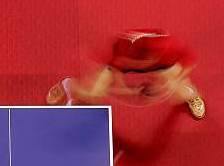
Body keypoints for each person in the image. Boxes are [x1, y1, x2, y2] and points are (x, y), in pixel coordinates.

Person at [47, 29, 205, 119]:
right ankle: (68, 84)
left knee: (184, 91)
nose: (145, 63)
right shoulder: (125, 46)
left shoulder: (170, 47)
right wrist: (127, 91)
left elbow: (190, 62)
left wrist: (175, 82)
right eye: (142, 60)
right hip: (122, 66)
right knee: (92, 94)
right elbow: (114, 70)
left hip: (163, 66)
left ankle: (193, 98)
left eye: (149, 59)